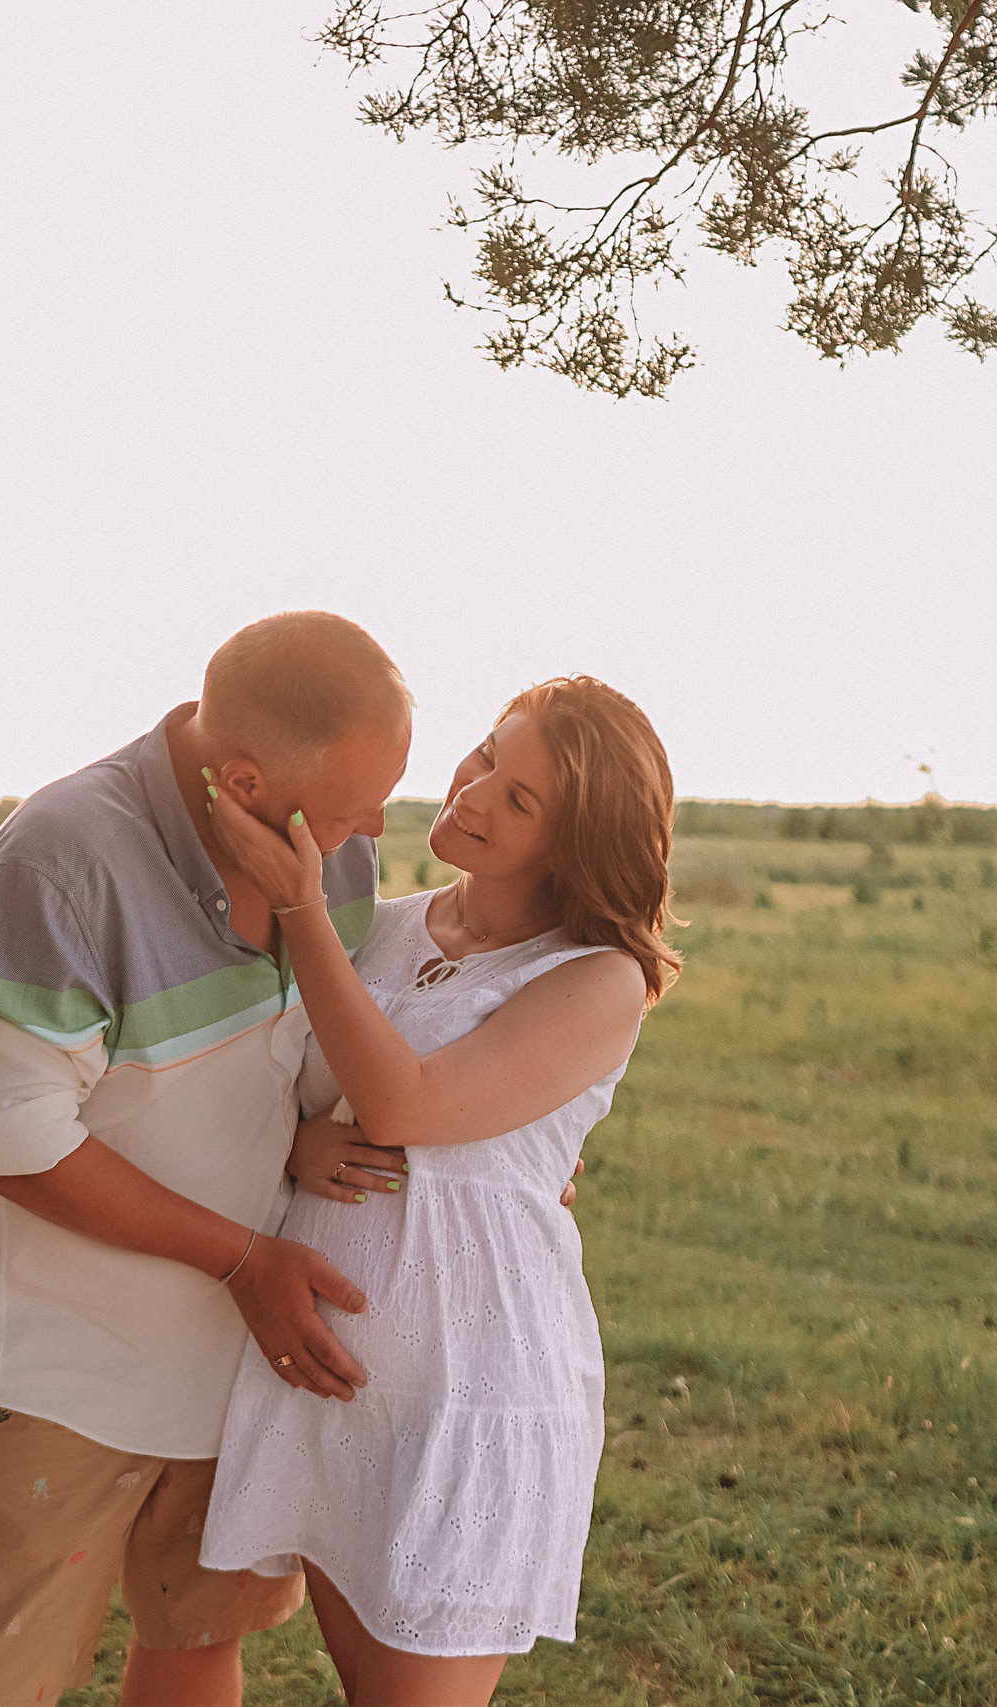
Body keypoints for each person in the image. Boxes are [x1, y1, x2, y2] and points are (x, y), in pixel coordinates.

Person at [0, 611, 411, 1707]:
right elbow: (12, 1141)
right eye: (350, 805)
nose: (375, 826)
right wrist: (242, 1260)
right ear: (241, 780)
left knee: (197, 1643)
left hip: (236, 1359)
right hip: (61, 1373)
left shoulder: (332, 849)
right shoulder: (58, 861)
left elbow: (301, 1043)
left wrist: (491, 1158)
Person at [197, 676, 680, 1706]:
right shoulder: (380, 926)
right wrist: (287, 1145)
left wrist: (298, 906)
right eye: (484, 760)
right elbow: (283, 1082)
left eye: (521, 800)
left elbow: (404, 1105)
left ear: (577, 841)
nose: (470, 797)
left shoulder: (598, 978)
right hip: (331, 1383)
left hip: (471, 1399)